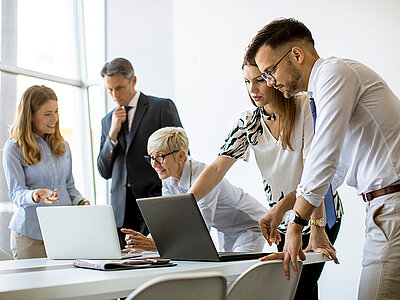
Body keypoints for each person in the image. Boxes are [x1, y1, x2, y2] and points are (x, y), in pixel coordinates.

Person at [245, 17, 400, 299]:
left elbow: (323, 156)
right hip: (384, 206)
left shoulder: (334, 73)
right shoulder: (324, 87)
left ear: (296, 54)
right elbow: (335, 172)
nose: (270, 83)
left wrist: (296, 226)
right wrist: (284, 205)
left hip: (392, 205)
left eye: (269, 72)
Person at [188, 57, 343, 299]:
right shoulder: (249, 122)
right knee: (298, 290)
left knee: (296, 290)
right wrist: (187, 202)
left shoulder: (304, 108)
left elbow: (313, 175)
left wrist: (317, 227)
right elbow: (218, 167)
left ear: (273, 78)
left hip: (317, 214)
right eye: (247, 82)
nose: (253, 89)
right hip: (281, 222)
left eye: (259, 80)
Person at [122, 126, 266, 254]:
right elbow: (169, 218)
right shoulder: (167, 176)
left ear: (180, 155)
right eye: (151, 158)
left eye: (159, 157)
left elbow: (199, 232)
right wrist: (145, 243)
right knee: (227, 276)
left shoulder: (203, 177)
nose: (154, 164)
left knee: (237, 275)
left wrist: (156, 245)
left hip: (250, 226)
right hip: (226, 230)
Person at [97, 58, 183, 247]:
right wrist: (112, 135)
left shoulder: (161, 107)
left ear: (133, 80)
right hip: (120, 214)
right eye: (109, 90)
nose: (114, 95)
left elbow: (181, 156)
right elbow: (104, 171)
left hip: (154, 204)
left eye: (118, 88)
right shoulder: (107, 121)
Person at [2, 85, 89, 260]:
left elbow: (69, 187)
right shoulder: (14, 148)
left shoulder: (63, 146)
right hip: (30, 236)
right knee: (33, 287)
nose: (55, 118)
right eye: (47, 113)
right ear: (30, 115)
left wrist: (82, 202)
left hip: (63, 232)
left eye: (56, 111)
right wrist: (36, 194)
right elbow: (16, 193)